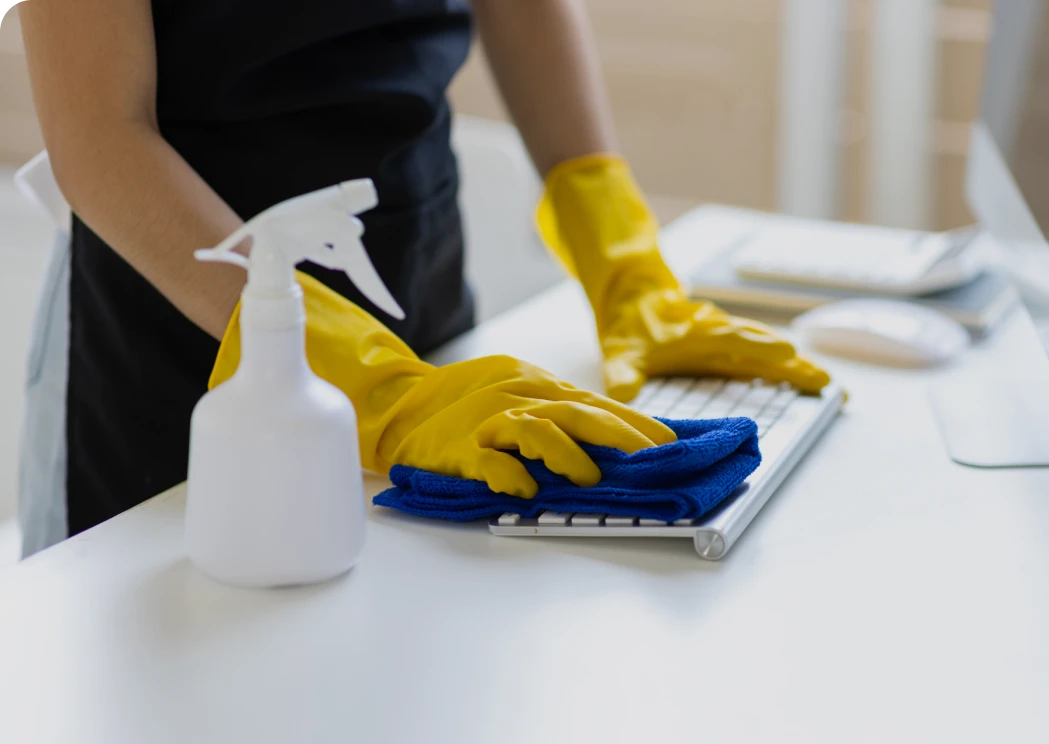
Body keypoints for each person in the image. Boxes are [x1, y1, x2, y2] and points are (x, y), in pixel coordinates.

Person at [16, 0, 830, 556]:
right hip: (176, 338)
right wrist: (378, 388)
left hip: (416, 291)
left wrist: (621, 258)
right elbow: (100, 134)